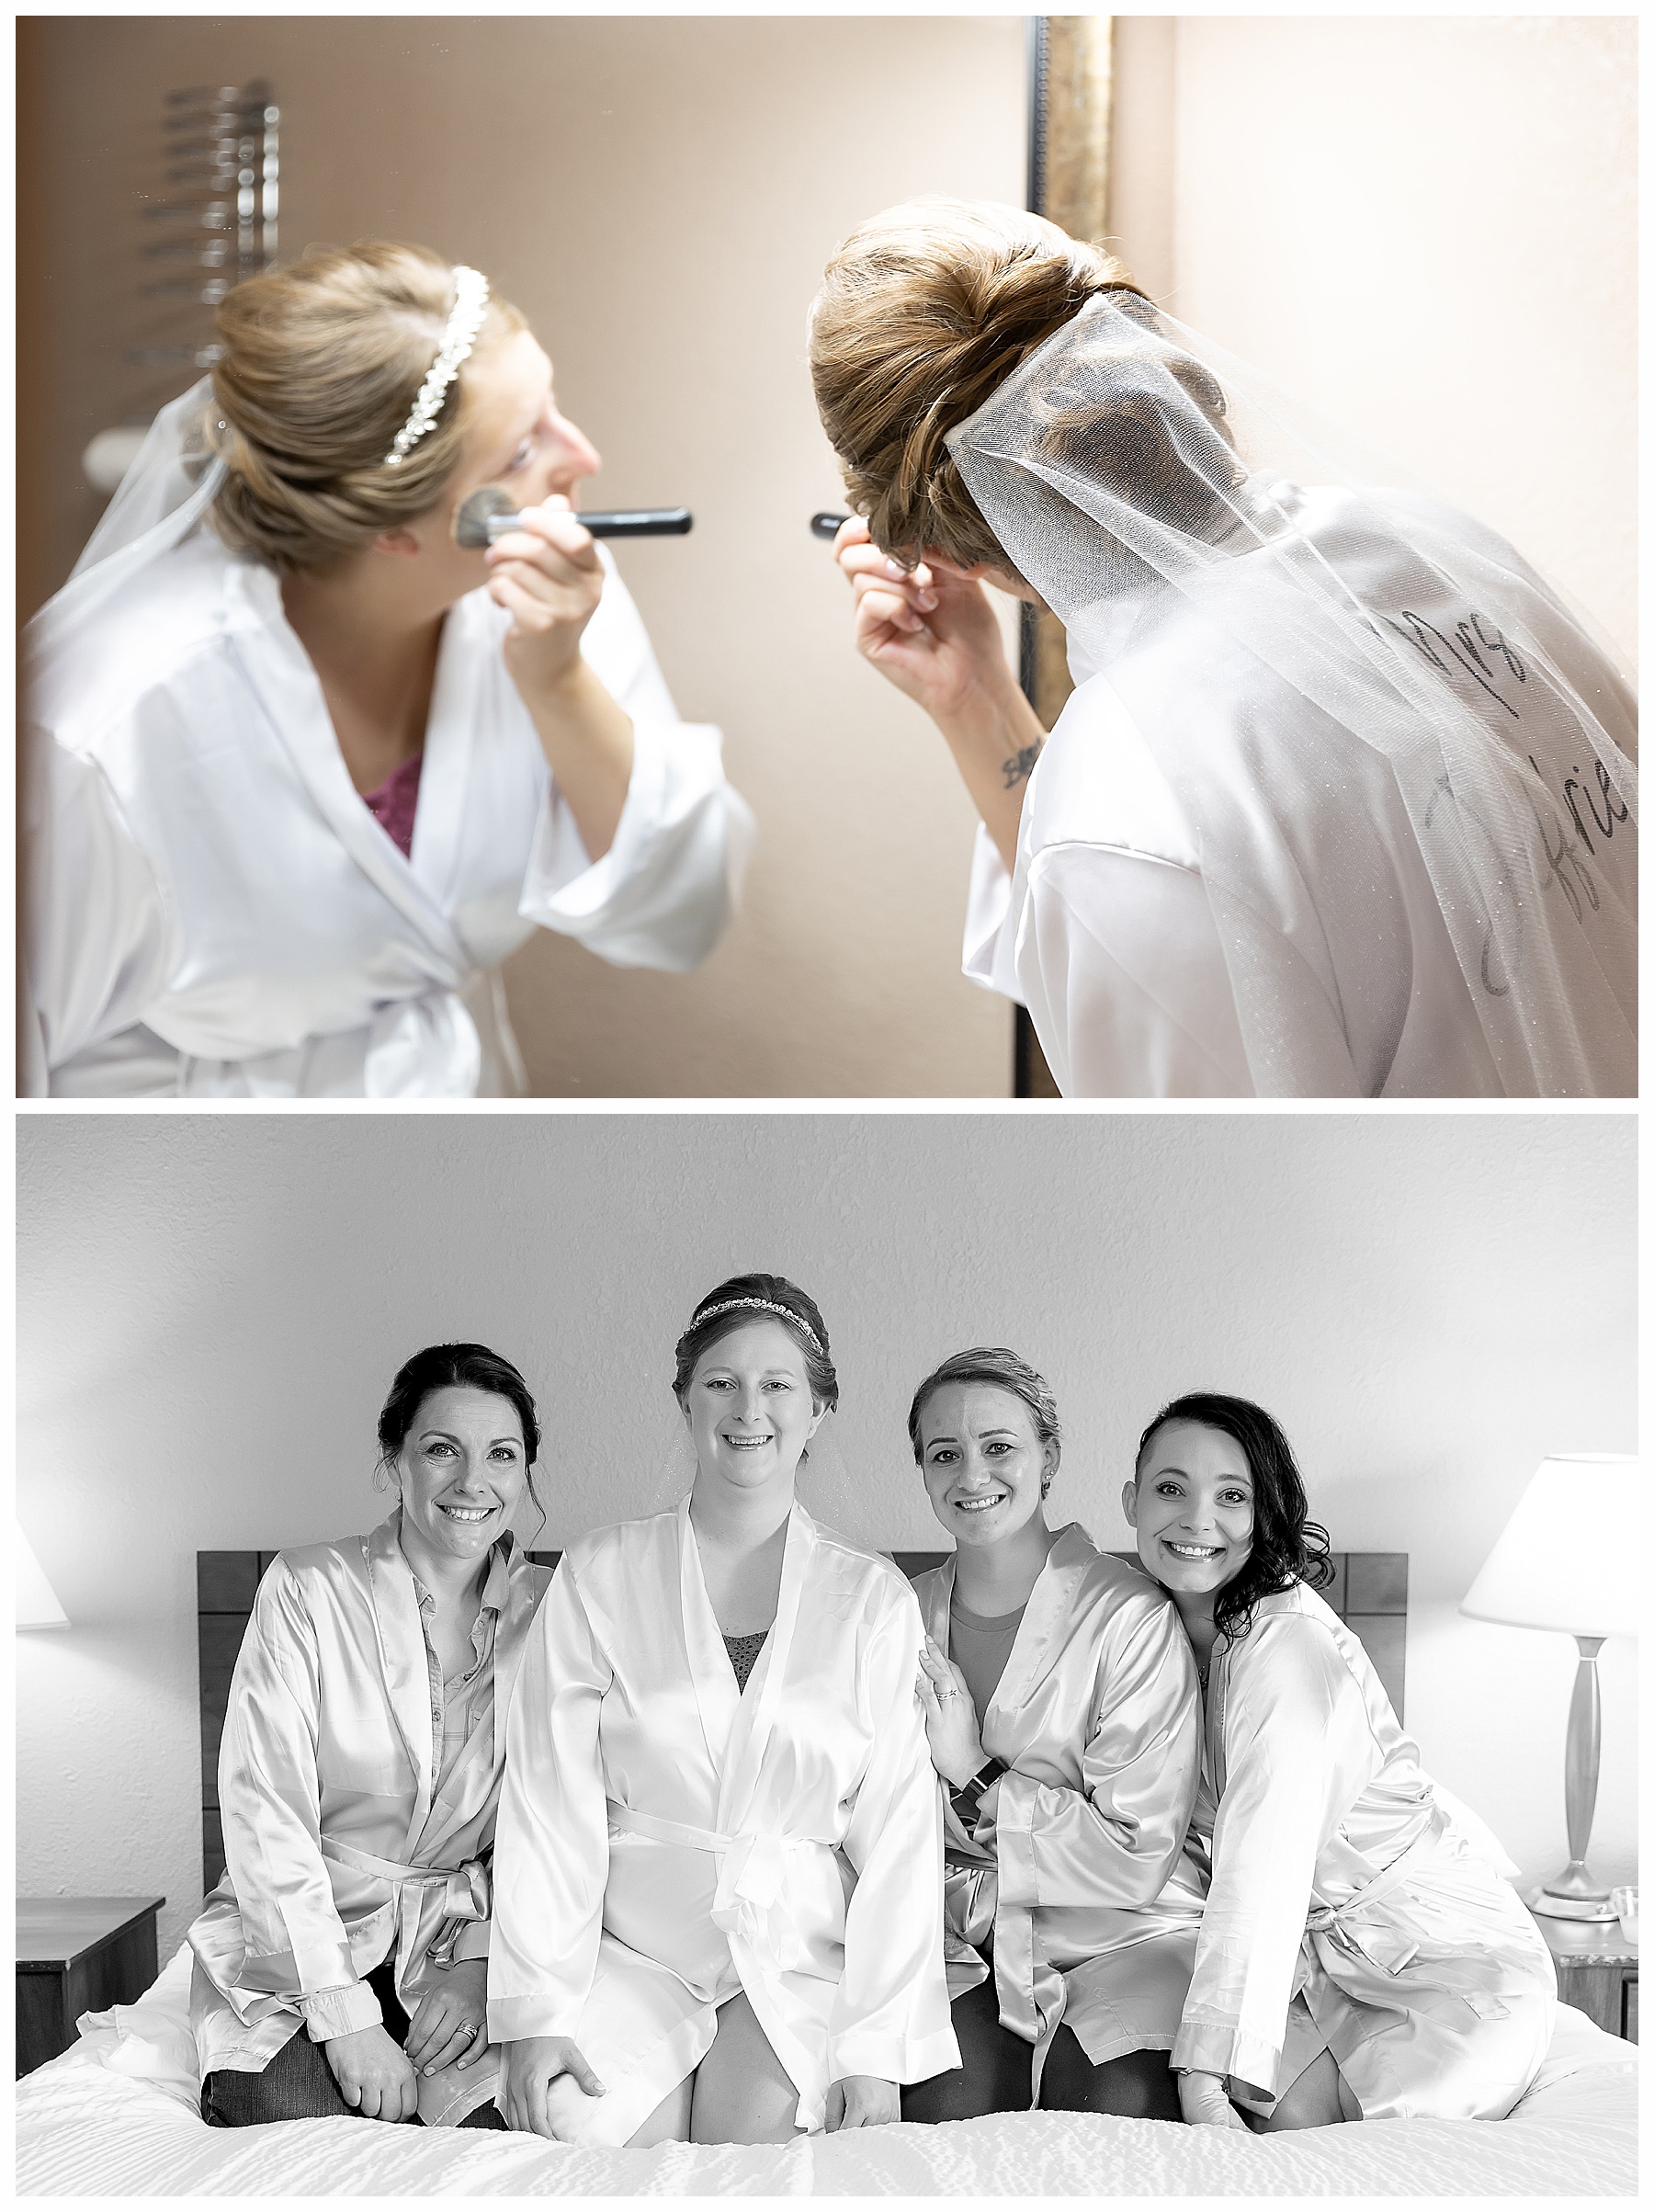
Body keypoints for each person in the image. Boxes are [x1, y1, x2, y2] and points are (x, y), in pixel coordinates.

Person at [810, 198, 1637, 1099]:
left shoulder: (1126, 802)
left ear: (929, 547)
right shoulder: (1439, 545)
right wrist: (976, 702)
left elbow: (1217, 1213)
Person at [24, 242, 753, 1096]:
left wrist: (557, 682)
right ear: (393, 528)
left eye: (555, 408)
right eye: (521, 453)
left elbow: (685, 914)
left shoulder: (543, 597)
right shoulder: (102, 726)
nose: (583, 457)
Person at [487, 1274, 957, 2144]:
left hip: (796, 1949)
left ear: (817, 1411)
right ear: (685, 1399)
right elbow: (549, 1801)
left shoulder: (872, 1599)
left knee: (753, 2154)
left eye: (779, 1384)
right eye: (721, 1382)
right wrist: (534, 2008)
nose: (750, 1408)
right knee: (577, 2127)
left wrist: (875, 2051)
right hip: (632, 1949)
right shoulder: (600, 1573)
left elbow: (899, 1833)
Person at [1124, 1391, 1557, 2129]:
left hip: (1437, 1952)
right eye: (1172, 1488)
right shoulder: (1138, 1627)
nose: (1198, 1520)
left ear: (1266, 1514)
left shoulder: (1287, 1649)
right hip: (1304, 1951)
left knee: (1370, 2125)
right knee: (1268, 2117)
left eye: (1233, 1496)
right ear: (1132, 1500)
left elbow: (1263, 1860)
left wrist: (1204, 2074)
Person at [189, 1344, 554, 2127]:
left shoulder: (556, 1614)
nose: (472, 1481)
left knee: (508, 2133)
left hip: (452, 1939)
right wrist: (345, 2015)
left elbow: (559, 1818)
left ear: (525, 1472)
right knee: (285, 2114)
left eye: (501, 1454)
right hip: (301, 1933)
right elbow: (265, 1809)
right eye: (440, 1449)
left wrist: (483, 1960)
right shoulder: (306, 1588)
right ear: (395, 1458)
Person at [902, 1347, 1204, 2125]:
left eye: (999, 1446)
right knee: (948, 2110)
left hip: (1127, 1932)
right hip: (965, 1935)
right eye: (946, 1452)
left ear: (1050, 1456)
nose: (973, 1474)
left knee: (1105, 2106)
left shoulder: (1130, 1618)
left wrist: (972, 1771)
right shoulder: (896, 1616)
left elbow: (1136, 1849)